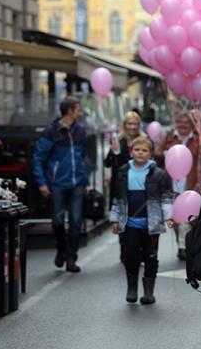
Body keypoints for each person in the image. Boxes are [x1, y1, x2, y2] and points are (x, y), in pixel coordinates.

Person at [109, 136, 174, 304]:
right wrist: (115, 220)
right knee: (130, 255)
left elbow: (166, 197)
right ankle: (132, 288)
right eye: (137, 150)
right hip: (129, 222)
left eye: (144, 150)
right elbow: (118, 198)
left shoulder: (158, 174)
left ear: (150, 154)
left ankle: (148, 291)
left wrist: (168, 216)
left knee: (151, 255)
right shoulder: (123, 172)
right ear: (131, 152)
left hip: (152, 225)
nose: (140, 153)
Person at [32, 96, 92, 273]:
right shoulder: (51, 132)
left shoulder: (80, 131)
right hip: (57, 183)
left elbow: (82, 157)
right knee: (57, 222)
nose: (80, 113)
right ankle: (61, 249)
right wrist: (42, 183)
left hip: (77, 184)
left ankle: (71, 258)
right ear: (70, 111)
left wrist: (86, 180)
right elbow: (38, 158)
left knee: (76, 222)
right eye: (78, 109)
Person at [154, 112, 201, 260]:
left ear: (191, 125)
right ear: (177, 123)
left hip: (191, 183)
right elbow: (157, 153)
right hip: (171, 182)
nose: (183, 125)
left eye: (187, 123)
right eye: (181, 122)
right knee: (175, 217)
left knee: (188, 217)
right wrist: (168, 153)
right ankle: (182, 244)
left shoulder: (197, 139)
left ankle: (184, 247)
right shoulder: (169, 137)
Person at [105, 111, 145, 207]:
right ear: (124, 125)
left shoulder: (144, 141)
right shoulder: (118, 141)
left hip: (139, 186)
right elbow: (107, 163)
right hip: (120, 186)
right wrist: (112, 151)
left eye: (135, 124)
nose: (132, 127)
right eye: (129, 124)